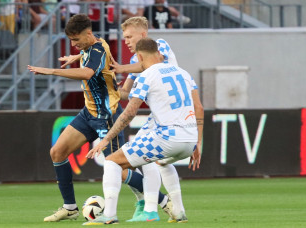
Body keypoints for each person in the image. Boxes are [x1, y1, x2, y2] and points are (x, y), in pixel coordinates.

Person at [58, 16, 175, 223]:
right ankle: (149, 204)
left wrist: (120, 69)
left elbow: (153, 65)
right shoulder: (130, 60)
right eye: (124, 37)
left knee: (128, 166)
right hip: (106, 112)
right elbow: (125, 94)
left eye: (130, 36)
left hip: (168, 116)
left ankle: (161, 202)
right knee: (129, 165)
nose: (127, 41)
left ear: (143, 34)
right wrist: (109, 85)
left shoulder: (159, 47)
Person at [84, 37, 203, 225]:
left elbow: (130, 112)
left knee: (112, 161)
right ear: (159, 53)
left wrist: (107, 139)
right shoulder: (184, 73)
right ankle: (179, 212)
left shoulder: (147, 76)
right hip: (189, 139)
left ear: (139, 57)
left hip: (166, 138)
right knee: (161, 163)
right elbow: (198, 107)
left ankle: (109, 216)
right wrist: (198, 142)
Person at [27, 14, 124, 222]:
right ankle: (70, 207)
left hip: (107, 115)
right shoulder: (92, 46)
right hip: (89, 112)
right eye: (71, 40)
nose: (73, 44)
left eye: (76, 40)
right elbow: (90, 56)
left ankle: (161, 201)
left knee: (119, 168)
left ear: (88, 33)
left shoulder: (97, 49)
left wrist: (52, 71)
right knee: (58, 151)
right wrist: (77, 56)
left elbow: (88, 73)